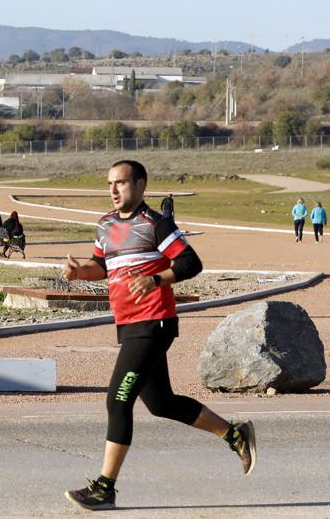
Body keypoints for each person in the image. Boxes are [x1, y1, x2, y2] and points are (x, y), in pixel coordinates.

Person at [62, 159, 256, 511]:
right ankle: (234, 434)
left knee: (117, 401)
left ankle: (105, 489)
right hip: (128, 324)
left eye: (121, 183)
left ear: (140, 185)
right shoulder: (105, 225)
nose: (113, 190)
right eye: (110, 184)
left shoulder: (155, 223)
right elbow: (102, 265)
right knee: (161, 403)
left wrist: (154, 280)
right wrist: (81, 273)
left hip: (153, 322)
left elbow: (190, 263)